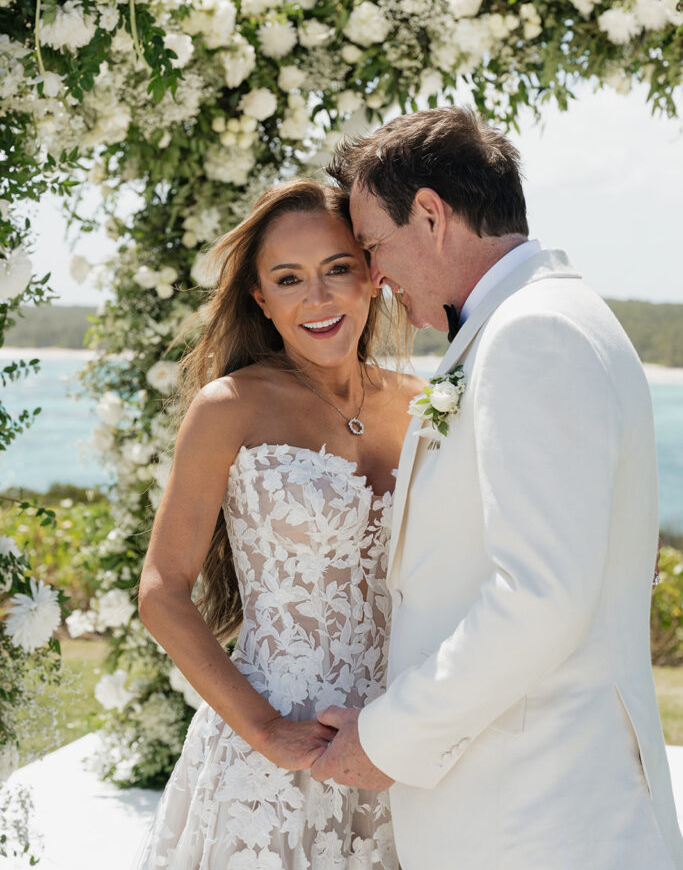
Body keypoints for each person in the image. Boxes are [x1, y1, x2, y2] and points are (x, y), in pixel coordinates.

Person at [311, 106, 683, 869]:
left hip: (538, 815)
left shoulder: (531, 335)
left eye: (375, 246)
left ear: (430, 214)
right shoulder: (553, 316)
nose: (374, 277)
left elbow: (540, 595)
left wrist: (388, 740)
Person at [134, 177, 420, 868]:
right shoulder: (229, 406)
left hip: (399, 743)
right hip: (278, 750)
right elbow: (162, 590)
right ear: (261, 299)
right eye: (289, 280)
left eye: (336, 270)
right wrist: (265, 731)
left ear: (372, 277)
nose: (317, 299)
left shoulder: (423, 404)